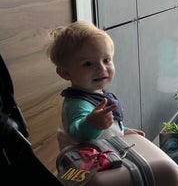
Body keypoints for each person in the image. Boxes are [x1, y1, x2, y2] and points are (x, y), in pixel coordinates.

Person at [46, 21, 144, 150]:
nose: (101, 68)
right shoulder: (78, 103)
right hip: (86, 167)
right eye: (88, 64)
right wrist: (92, 124)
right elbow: (78, 134)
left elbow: (108, 127)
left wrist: (123, 131)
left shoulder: (97, 93)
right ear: (65, 73)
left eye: (106, 60)